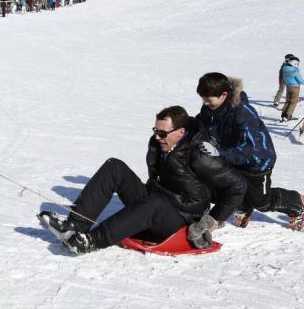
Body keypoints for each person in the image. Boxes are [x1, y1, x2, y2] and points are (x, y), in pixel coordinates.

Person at [38, 106, 246, 255]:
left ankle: (89, 242)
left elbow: (238, 186)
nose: (157, 137)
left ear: (181, 132)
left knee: (156, 203)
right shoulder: (157, 144)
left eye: (163, 133)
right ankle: (75, 225)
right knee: (115, 167)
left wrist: (211, 220)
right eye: (156, 131)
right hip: (155, 204)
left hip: (181, 222)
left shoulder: (200, 156)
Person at [196, 73, 304, 231]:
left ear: (224, 95)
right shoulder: (209, 109)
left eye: (209, 100)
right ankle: (243, 204)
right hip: (229, 156)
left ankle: (295, 202)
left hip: (257, 161)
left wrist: (218, 152)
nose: (205, 103)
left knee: (262, 201)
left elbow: (245, 150)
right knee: (229, 186)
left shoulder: (243, 112)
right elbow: (200, 124)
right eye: (203, 99)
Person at [280, 56, 304, 122]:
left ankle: (283, 115)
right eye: (297, 64)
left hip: (288, 87)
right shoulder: (295, 71)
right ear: (294, 63)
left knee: (288, 101)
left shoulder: (285, 68)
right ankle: (288, 115)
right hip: (295, 88)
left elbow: (284, 78)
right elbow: (300, 81)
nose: (298, 65)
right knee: (293, 102)